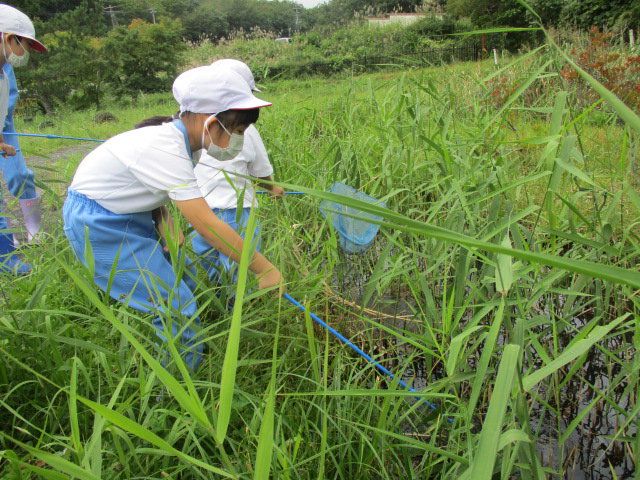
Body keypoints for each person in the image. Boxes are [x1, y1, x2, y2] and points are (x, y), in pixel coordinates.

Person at [63, 66, 284, 372]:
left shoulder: (185, 143)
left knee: (183, 283)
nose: (239, 139)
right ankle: (176, 394)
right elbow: (206, 224)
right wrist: (263, 268)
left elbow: (145, 185)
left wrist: (162, 217)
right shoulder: (165, 147)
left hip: (129, 214)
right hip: (100, 225)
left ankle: (190, 362)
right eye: (236, 130)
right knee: (174, 306)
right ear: (210, 121)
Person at [192, 59, 285, 287]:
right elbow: (260, 170)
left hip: (199, 212)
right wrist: (272, 188)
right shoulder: (246, 131)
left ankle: (220, 306)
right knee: (239, 270)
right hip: (237, 211)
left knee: (211, 267)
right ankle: (238, 312)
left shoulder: (196, 126)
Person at [0, 4, 46, 274]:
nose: (24, 53)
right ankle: (8, 259)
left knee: (18, 174)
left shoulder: (4, 73)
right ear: (8, 38)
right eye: (24, 45)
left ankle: (30, 235)